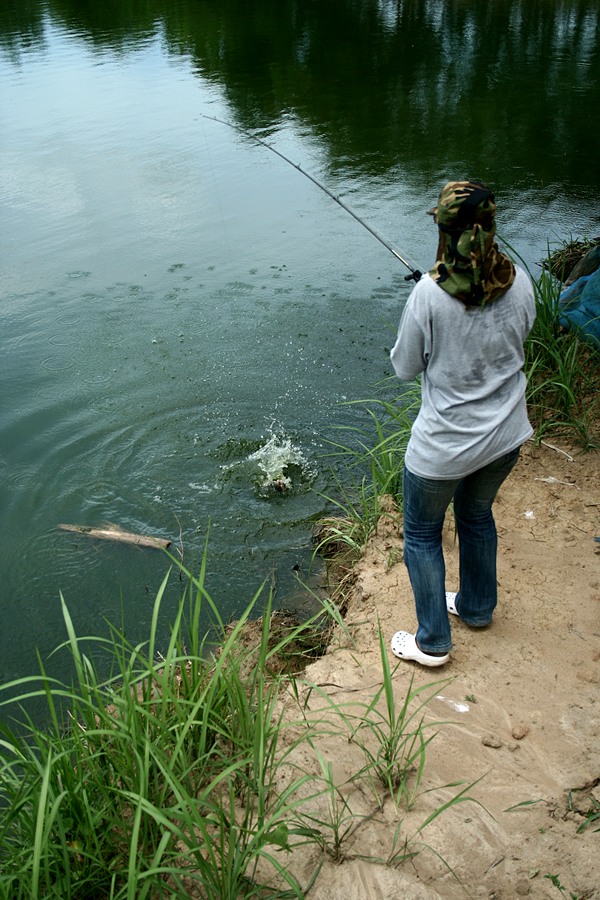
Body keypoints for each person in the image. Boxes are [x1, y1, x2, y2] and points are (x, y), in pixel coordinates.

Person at [389, 180, 536, 667]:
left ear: (445, 231)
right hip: (506, 437)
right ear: (491, 229)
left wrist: (423, 306)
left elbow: (405, 367)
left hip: (443, 451)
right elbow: (516, 337)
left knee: (423, 534)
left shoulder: (428, 297)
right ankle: (475, 608)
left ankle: (432, 641)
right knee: (476, 515)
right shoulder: (522, 283)